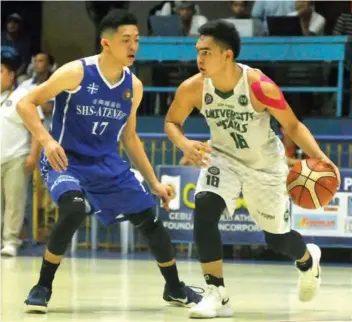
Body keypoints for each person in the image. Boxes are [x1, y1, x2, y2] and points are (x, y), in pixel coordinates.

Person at [17, 11, 202, 313]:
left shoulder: (135, 86)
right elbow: (26, 103)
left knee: (151, 221)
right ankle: (43, 286)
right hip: (68, 161)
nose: (133, 46)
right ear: (106, 43)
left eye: (137, 40)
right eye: (126, 40)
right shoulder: (76, 72)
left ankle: (175, 287)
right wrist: (47, 141)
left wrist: (154, 183)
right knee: (73, 209)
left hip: (107, 164)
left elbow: (130, 138)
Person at [164, 20, 340, 318]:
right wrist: (184, 144)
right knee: (204, 207)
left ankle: (308, 260)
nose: (199, 59)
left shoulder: (259, 86)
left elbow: (293, 125)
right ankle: (216, 292)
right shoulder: (193, 88)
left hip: (265, 167)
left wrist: (321, 157)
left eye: (206, 52)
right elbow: (171, 122)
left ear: (227, 55)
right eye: (198, 52)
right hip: (223, 159)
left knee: (277, 240)